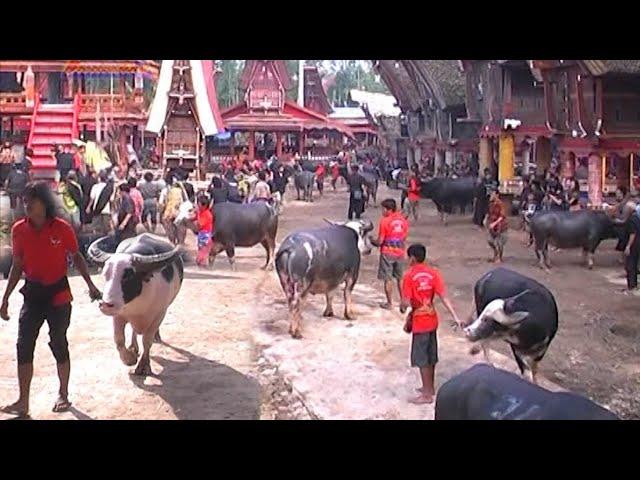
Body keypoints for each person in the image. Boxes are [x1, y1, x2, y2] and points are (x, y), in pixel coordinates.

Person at [0, 181, 101, 418]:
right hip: (33, 295)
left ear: (44, 204)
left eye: (31, 202)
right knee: (23, 346)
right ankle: (23, 402)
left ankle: (63, 394)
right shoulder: (19, 230)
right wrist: (5, 299)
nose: (27, 207)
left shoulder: (62, 228)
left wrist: (91, 285)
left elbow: (76, 257)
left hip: (58, 295)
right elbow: (17, 266)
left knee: (58, 343)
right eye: (25, 202)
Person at [400, 243, 462, 405]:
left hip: (420, 321)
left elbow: (405, 302)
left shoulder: (409, 276)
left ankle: (426, 394)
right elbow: (444, 296)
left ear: (412, 258)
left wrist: (402, 307)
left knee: (422, 359)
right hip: (432, 319)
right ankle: (430, 387)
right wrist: (455, 316)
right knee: (431, 355)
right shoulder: (433, 273)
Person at [372, 198, 409, 310]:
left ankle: (389, 303)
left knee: (388, 279)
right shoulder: (403, 220)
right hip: (400, 252)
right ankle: (403, 301)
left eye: (383, 209)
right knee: (400, 278)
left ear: (389, 209)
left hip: (387, 252)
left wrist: (371, 240)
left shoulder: (385, 221)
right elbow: (404, 237)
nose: (382, 211)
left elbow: (380, 242)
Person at [622, 199, 640, 295]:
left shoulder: (630, 220)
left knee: (630, 265)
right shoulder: (636, 218)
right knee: (634, 264)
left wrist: (628, 246)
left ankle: (631, 286)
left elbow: (632, 234)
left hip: (633, 245)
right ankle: (634, 285)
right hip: (637, 244)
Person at [487, 189, 508, 263]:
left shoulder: (500, 204)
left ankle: (499, 257)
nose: (491, 196)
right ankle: (495, 254)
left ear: (497, 195)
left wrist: (495, 223)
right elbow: (489, 213)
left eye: (492, 194)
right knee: (490, 241)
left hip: (500, 226)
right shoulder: (491, 204)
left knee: (499, 243)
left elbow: (502, 216)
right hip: (493, 226)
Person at [195, 195, 214, 268]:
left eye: (198, 204)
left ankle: (202, 263)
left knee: (203, 250)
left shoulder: (207, 214)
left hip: (205, 234)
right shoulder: (202, 212)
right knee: (201, 249)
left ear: (204, 205)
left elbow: (200, 225)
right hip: (202, 234)